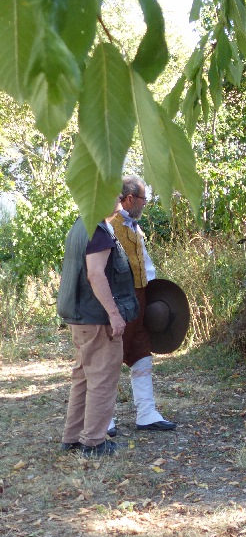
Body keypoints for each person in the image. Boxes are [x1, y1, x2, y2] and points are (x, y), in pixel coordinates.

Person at [58, 207, 139, 456]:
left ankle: (72, 438)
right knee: (102, 379)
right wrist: (114, 314)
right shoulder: (98, 231)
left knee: (82, 377)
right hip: (96, 318)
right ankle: (93, 442)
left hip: (81, 316)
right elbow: (95, 274)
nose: (121, 202)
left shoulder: (81, 225)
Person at [107, 175, 176, 433]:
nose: (145, 204)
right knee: (112, 356)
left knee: (142, 353)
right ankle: (104, 418)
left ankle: (146, 412)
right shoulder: (109, 226)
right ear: (129, 198)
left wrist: (154, 295)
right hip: (118, 299)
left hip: (140, 297)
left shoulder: (135, 227)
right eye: (143, 199)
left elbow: (146, 264)